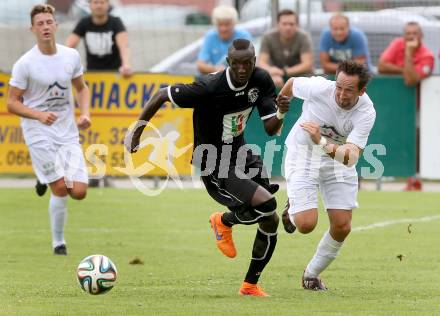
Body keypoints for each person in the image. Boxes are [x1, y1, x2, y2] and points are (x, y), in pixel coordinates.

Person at [126, 39, 290, 296]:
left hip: (242, 154)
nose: (242, 69)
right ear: (228, 63)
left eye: (247, 63)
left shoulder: (261, 80)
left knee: (270, 219)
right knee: (267, 205)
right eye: (237, 64)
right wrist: (136, 132)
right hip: (213, 161)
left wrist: (280, 113)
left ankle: (250, 285)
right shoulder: (209, 86)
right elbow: (161, 95)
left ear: (254, 62)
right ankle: (223, 221)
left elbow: (271, 129)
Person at [278, 60, 376, 290]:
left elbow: (351, 157)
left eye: (349, 90)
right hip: (303, 155)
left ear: (361, 91)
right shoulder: (319, 87)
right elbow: (291, 84)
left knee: (342, 226)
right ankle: (291, 210)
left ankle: (311, 275)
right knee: (305, 224)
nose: (341, 94)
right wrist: (280, 113)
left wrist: (321, 141)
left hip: (337, 161)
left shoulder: (366, 112)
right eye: (339, 87)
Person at [7, 4, 91, 255]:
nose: (45, 27)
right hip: (38, 131)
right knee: (60, 189)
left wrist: (85, 113)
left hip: (66, 131)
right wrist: (39, 115)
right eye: (40, 23)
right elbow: (11, 102)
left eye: (49, 22)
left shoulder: (70, 56)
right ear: (32, 29)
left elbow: (82, 88)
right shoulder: (25, 64)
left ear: (56, 25)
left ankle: (43, 177)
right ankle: (59, 243)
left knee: (79, 192)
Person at [66, 0, 133, 77]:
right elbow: (69, 46)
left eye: (102, 2)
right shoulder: (84, 23)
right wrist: (65, 65)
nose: (99, 6)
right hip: (92, 74)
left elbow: (124, 46)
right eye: (95, 2)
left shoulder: (116, 22)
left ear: (108, 5)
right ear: (90, 5)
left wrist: (126, 65)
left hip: (115, 74)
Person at [258, 9, 313, 88]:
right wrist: (271, 72)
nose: (288, 27)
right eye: (284, 24)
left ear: (297, 25)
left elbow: (307, 64)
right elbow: (261, 63)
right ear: (278, 24)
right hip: (276, 78)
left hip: (300, 79)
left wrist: (284, 72)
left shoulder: (303, 37)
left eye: (291, 24)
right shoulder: (268, 37)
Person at [196, 5, 252, 74]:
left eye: (227, 24)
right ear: (215, 24)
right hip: (217, 76)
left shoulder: (243, 36)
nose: (223, 29)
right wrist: (215, 69)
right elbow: (200, 65)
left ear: (234, 24)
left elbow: (248, 62)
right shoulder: (210, 36)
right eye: (220, 24)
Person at [378, 21, 434, 86]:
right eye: (408, 33)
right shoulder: (397, 43)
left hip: (415, 94)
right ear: (404, 36)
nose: (411, 36)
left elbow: (410, 81)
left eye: (415, 33)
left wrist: (408, 52)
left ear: (421, 35)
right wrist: (405, 70)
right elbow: (381, 67)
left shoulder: (427, 56)